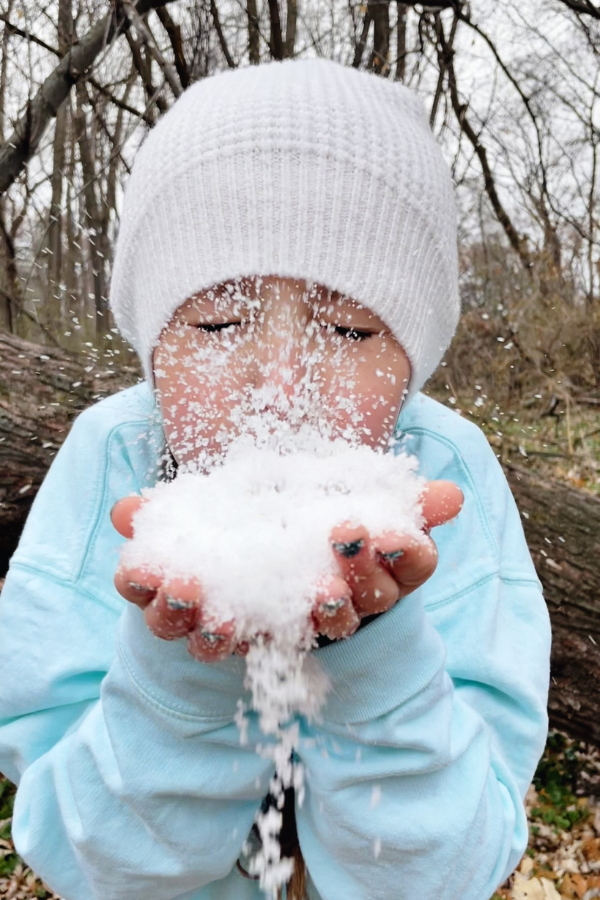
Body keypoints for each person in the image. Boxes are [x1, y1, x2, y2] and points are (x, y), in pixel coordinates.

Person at [0, 58, 551, 900]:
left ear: (413, 358)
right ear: (153, 343)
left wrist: (380, 665)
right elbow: (82, 861)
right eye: (220, 321)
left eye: (347, 327)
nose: (281, 386)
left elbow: (455, 870)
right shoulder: (112, 455)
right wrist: (180, 680)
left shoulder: (450, 470)